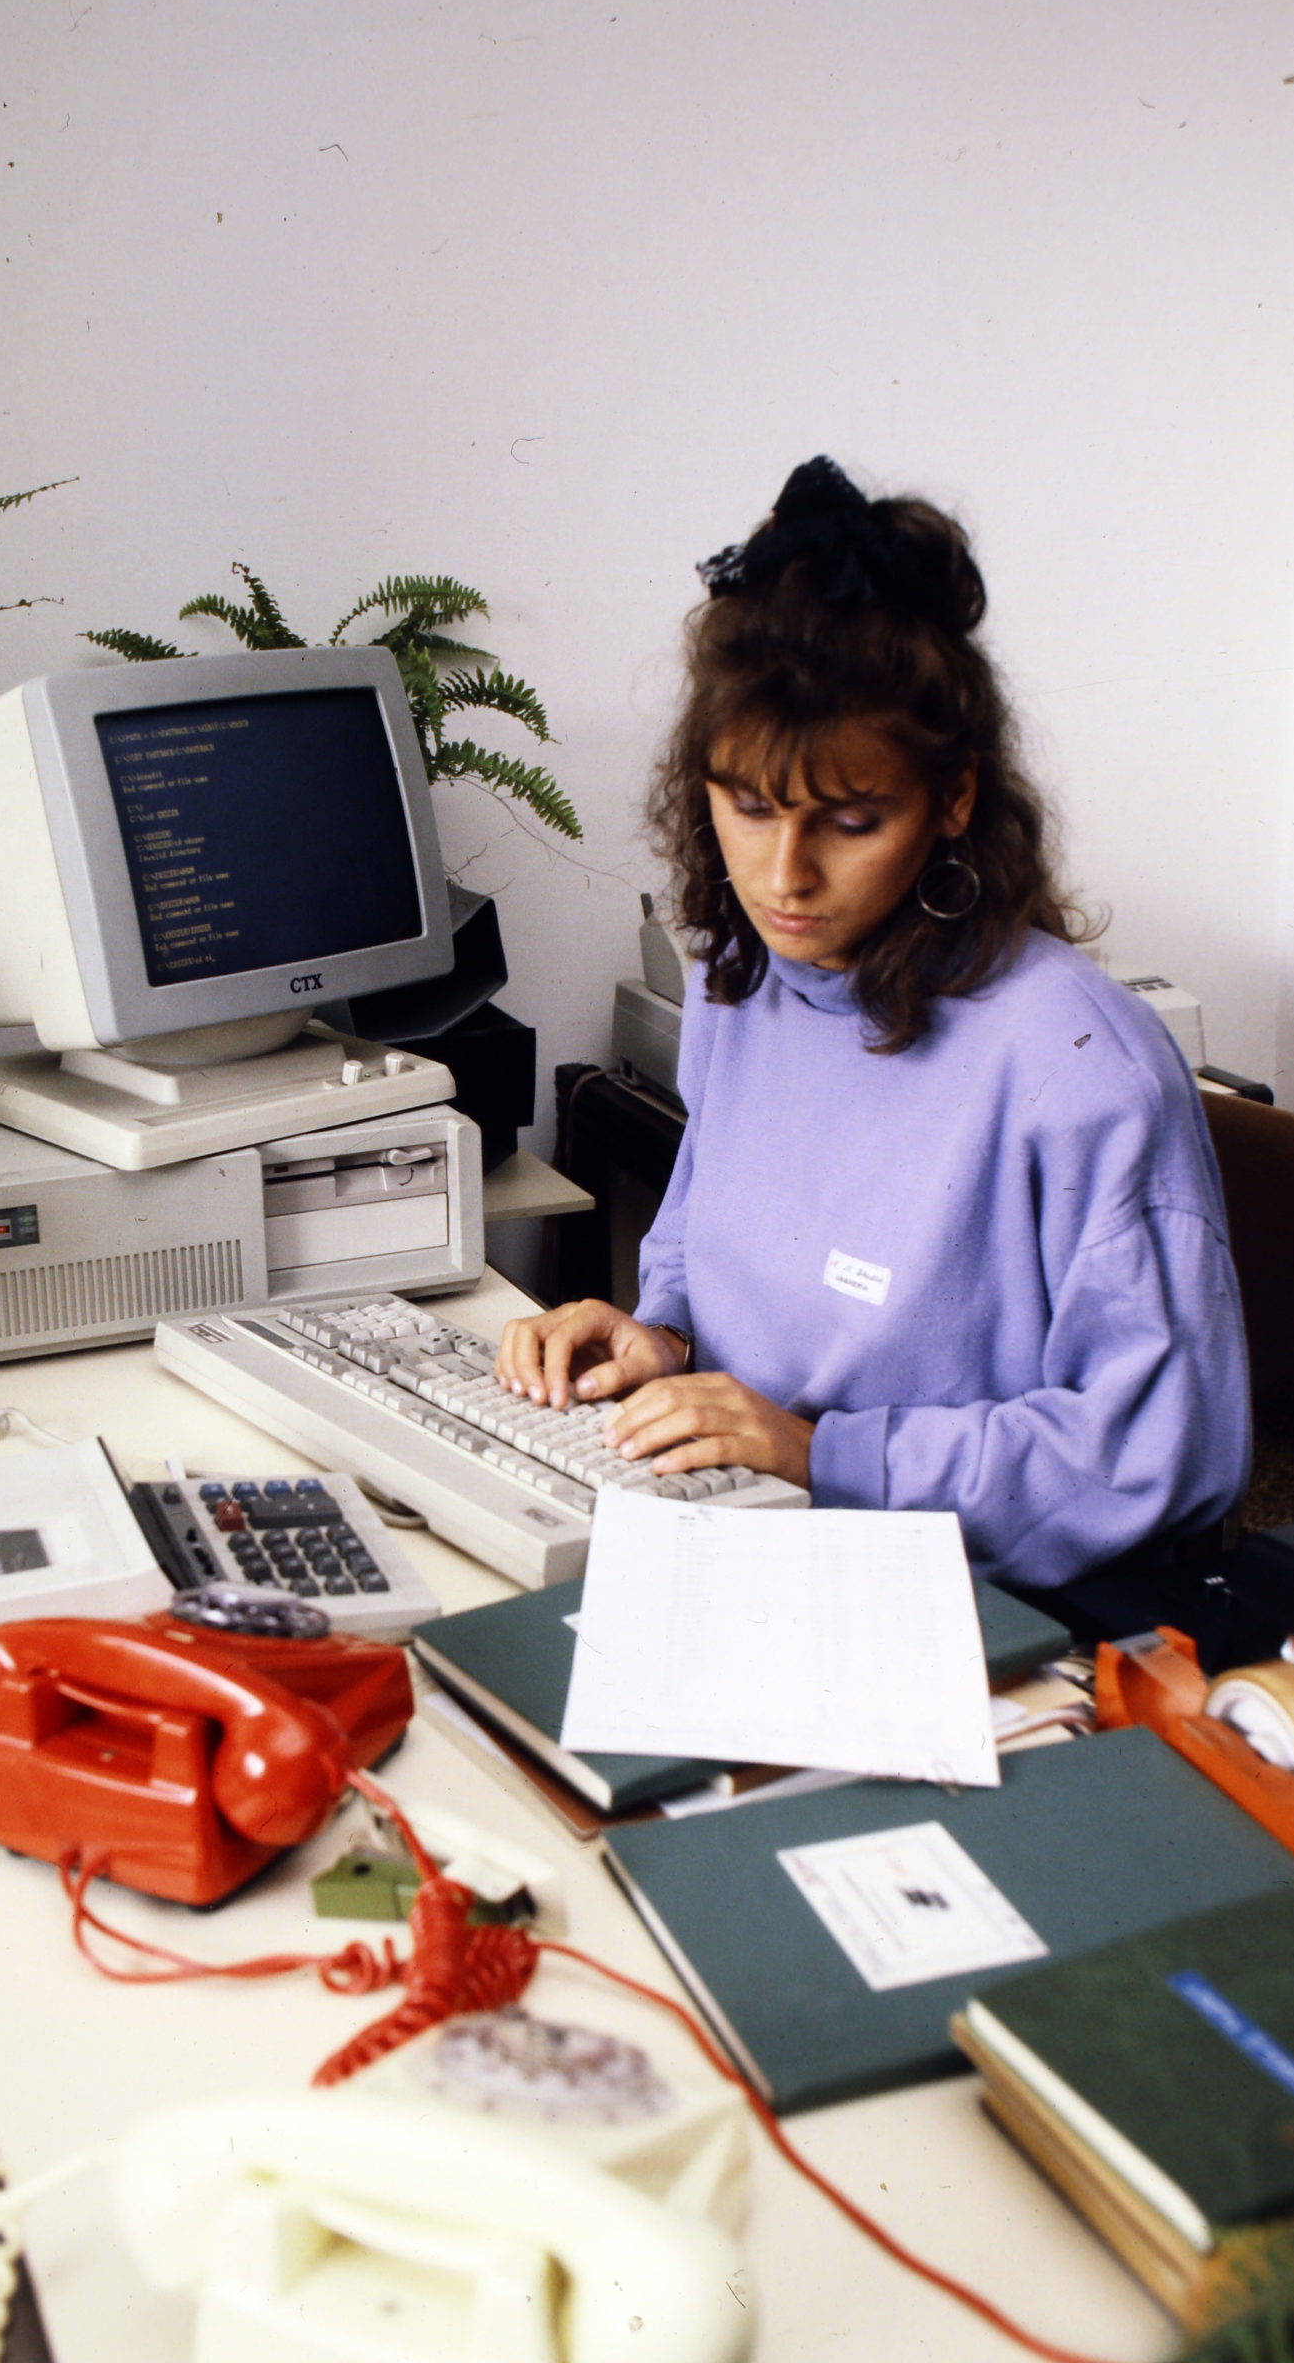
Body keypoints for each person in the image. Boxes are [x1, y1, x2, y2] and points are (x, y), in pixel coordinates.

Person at [496, 455, 1250, 1590]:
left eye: (850, 820)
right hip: (753, 1531)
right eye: (747, 808)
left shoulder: (1080, 1068)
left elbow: (1158, 1456)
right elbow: (716, 1251)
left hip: (966, 1597)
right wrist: (665, 1341)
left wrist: (821, 1454)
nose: (784, 875)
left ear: (953, 800)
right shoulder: (740, 982)